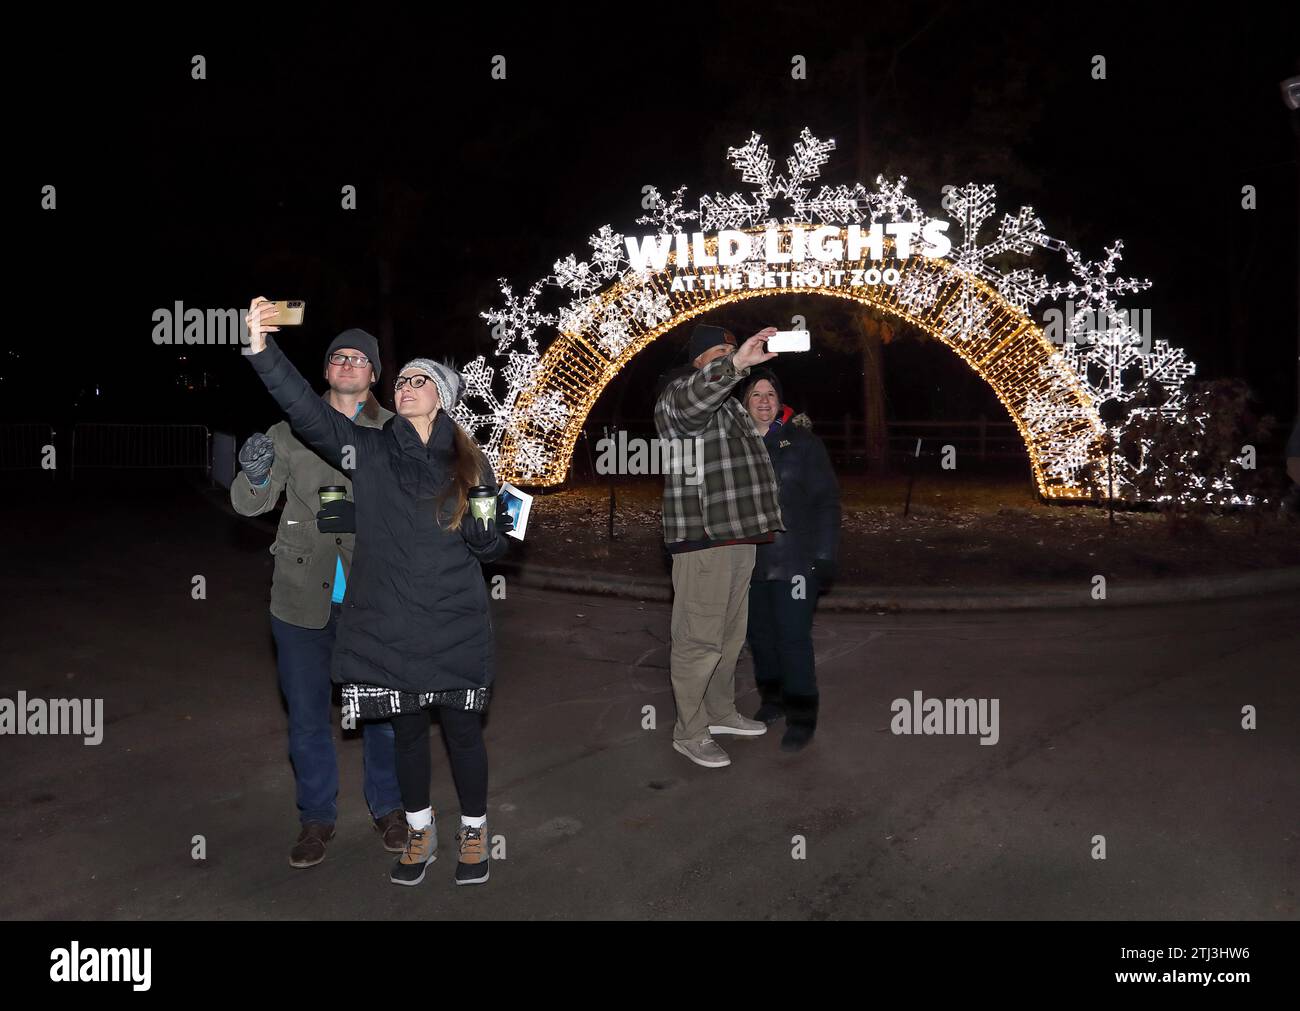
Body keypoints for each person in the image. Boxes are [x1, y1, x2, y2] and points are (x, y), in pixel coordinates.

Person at [243, 297, 511, 887]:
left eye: (422, 380)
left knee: (462, 735)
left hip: (453, 621)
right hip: (390, 622)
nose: (409, 385)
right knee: (409, 733)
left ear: (441, 397)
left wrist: (487, 535)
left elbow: (493, 552)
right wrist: (263, 351)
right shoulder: (366, 451)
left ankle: (473, 831)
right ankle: (419, 831)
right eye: (405, 377)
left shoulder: (472, 464)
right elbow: (308, 415)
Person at [231, 327, 404, 868]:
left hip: (375, 599)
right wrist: (255, 473)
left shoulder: (398, 432)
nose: (348, 363)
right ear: (326, 370)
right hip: (301, 598)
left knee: (383, 712)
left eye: (360, 358)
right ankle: (316, 818)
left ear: (374, 374)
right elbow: (248, 504)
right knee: (307, 716)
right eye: (338, 357)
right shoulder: (289, 430)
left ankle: (390, 808)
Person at [653, 323, 785, 768]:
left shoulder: (730, 407)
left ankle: (720, 712)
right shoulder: (677, 396)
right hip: (703, 540)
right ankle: (689, 732)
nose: (732, 356)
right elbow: (693, 402)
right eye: (719, 353)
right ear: (697, 363)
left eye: (733, 350)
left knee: (728, 638)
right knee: (698, 640)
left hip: (739, 536)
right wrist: (735, 364)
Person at [739, 367, 840, 751]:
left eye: (770, 394)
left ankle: (802, 714)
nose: (764, 401)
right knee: (761, 638)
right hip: (747, 561)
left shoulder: (803, 443)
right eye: (755, 395)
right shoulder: (735, 442)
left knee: (793, 639)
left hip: (795, 561)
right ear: (745, 403)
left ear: (779, 400)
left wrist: (825, 555)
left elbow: (826, 502)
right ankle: (773, 699)